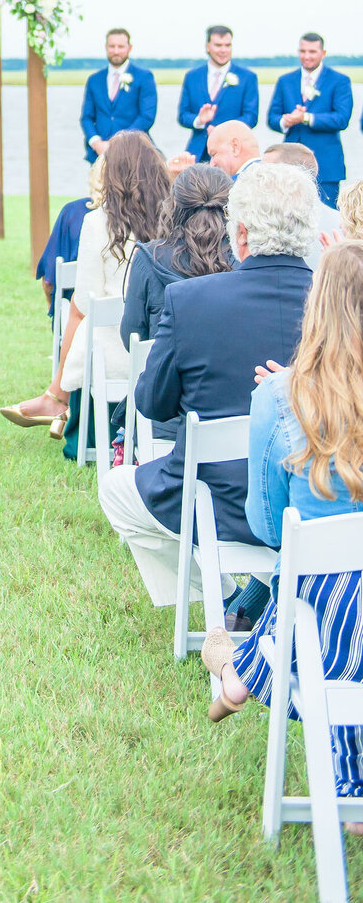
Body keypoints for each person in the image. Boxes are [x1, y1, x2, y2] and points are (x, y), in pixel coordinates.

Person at [98, 162, 316, 607]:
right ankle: (249, 600)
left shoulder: (190, 301)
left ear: (240, 235)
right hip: (315, 500)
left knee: (114, 489)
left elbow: (153, 405)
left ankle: (222, 597)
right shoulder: (339, 305)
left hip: (215, 505)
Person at [201, 240, 363, 813]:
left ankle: (240, 673)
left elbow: (266, 525)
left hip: (324, 618)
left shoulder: (281, 397)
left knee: (306, 595)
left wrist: (282, 395)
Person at [1, 132, 170, 441]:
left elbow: (83, 307)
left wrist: (61, 381)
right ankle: (55, 401)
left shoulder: (99, 223)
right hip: (165, 347)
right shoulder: (173, 218)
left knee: (78, 316)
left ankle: (56, 400)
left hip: (117, 350)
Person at [120, 164, 233, 441]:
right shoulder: (242, 260)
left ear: (174, 205)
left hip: (165, 414)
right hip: (235, 412)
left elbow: (132, 335)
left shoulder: (149, 257)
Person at [267, 33, 354, 208]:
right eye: (303, 51)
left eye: (312, 51)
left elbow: (342, 118)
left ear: (323, 53)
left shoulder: (339, 81)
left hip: (326, 165)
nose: (307, 56)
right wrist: (287, 121)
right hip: (289, 163)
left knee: (328, 214)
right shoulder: (285, 81)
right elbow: (272, 118)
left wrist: (306, 118)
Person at [177, 26, 259, 161]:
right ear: (208, 46)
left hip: (233, 154)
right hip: (197, 152)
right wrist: (199, 120)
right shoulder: (192, 76)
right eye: (218, 45)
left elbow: (251, 117)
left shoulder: (247, 77)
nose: (223, 50)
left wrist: (222, 130)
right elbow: (183, 115)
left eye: (227, 45)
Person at [79, 28, 157, 163]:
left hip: (134, 153)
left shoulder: (144, 77)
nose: (116, 51)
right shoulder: (94, 79)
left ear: (129, 48)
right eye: (112, 46)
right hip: (99, 153)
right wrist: (96, 142)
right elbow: (86, 117)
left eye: (120, 47)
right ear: (106, 47)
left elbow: (146, 117)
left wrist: (120, 142)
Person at [263, 142, 340, 265]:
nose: (259, 178)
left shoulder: (268, 225)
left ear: (292, 177)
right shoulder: (341, 222)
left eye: (267, 172)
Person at [35, 190, 91, 326]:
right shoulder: (140, 214)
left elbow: (49, 281)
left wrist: (52, 306)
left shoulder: (72, 213)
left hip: (76, 320)